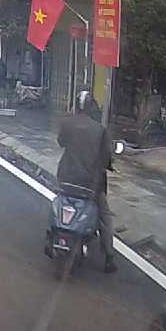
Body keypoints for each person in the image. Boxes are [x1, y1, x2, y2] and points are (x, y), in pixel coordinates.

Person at [56, 91, 116, 273]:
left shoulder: (67, 123)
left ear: (76, 105)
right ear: (91, 107)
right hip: (90, 183)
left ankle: (57, 230)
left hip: (66, 178)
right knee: (104, 216)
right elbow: (106, 157)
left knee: (59, 200)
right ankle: (109, 256)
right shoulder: (100, 130)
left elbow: (61, 142)